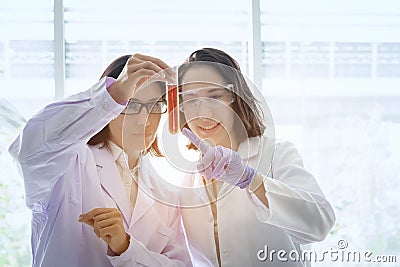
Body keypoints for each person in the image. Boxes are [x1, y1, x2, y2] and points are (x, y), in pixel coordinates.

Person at [9, 54, 192, 267]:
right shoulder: (67, 162)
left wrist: (126, 248)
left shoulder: (166, 192)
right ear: (114, 106)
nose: (144, 119)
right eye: (131, 105)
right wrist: (112, 94)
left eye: (154, 105)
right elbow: (30, 149)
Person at [177, 48, 336, 266]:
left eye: (215, 96)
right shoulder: (185, 180)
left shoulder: (276, 155)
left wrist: (250, 180)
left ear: (237, 98)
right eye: (191, 99)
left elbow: (320, 223)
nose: (204, 111)